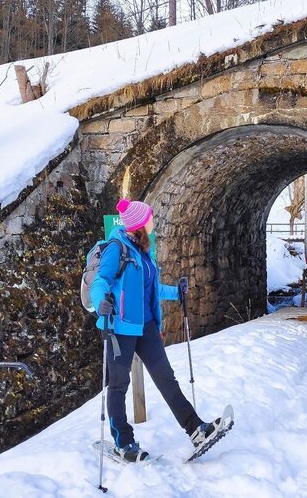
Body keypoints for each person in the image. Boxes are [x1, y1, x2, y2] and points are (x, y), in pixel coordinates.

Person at [89, 198, 219, 462]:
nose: (152, 220)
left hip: (146, 327)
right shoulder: (118, 248)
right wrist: (101, 299)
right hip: (120, 326)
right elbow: (101, 280)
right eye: (148, 217)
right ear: (138, 224)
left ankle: (195, 428)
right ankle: (124, 443)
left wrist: (176, 293)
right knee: (118, 385)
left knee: (166, 378)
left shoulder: (143, 251)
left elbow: (150, 289)